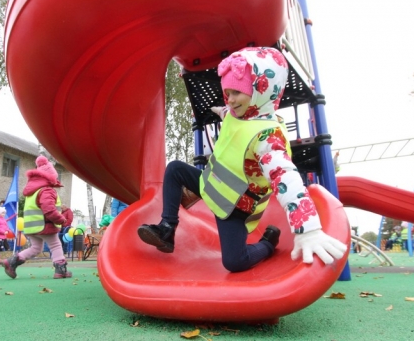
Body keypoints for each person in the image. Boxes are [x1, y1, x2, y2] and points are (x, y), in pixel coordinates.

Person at [137, 47, 347, 272]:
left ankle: (267, 243)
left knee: (234, 262)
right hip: (209, 184)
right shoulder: (236, 113)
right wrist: (220, 110)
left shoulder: (267, 137)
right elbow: (228, 114)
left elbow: (286, 179)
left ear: (260, 92)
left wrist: (308, 229)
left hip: (235, 206)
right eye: (228, 92)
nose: (231, 99)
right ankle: (167, 228)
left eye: (237, 92)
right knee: (175, 169)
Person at [2, 155, 70, 279]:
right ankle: (61, 270)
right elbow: (48, 209)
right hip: (44, 225)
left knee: (35, 248)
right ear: (50, 177)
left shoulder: (32, 191)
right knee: (55, 245)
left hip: (31, 226)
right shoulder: (46, 190)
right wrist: (60, 219)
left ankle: (12, 262)